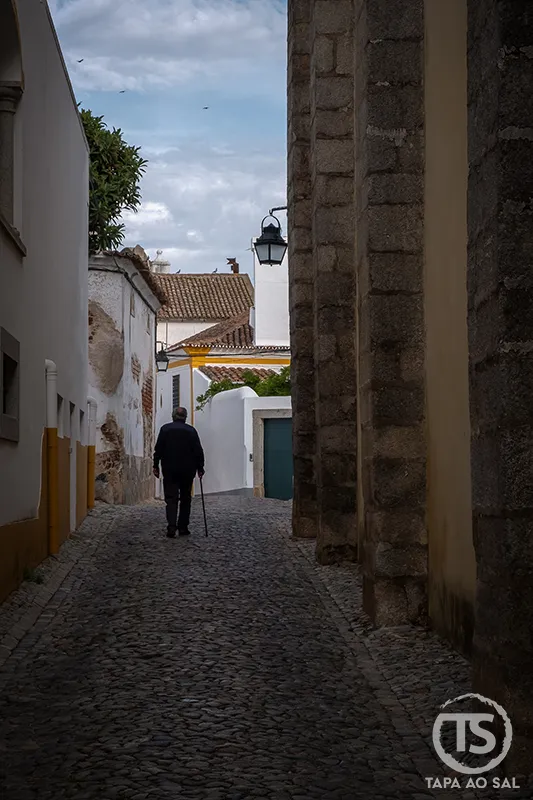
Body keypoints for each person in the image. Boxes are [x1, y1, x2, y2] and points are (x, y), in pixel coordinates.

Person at [153, 407, 205, 538]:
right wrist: (200, 467)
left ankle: (171, 527)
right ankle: (183, 527)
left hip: (169, 469)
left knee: (171, 499)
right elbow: (198, 450)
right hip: (188, 471)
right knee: (186, 498)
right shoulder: (191, 431)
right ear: (185, 417)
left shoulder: (165, 429)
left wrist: (155, 465)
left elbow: (158, 448)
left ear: (173, 416)